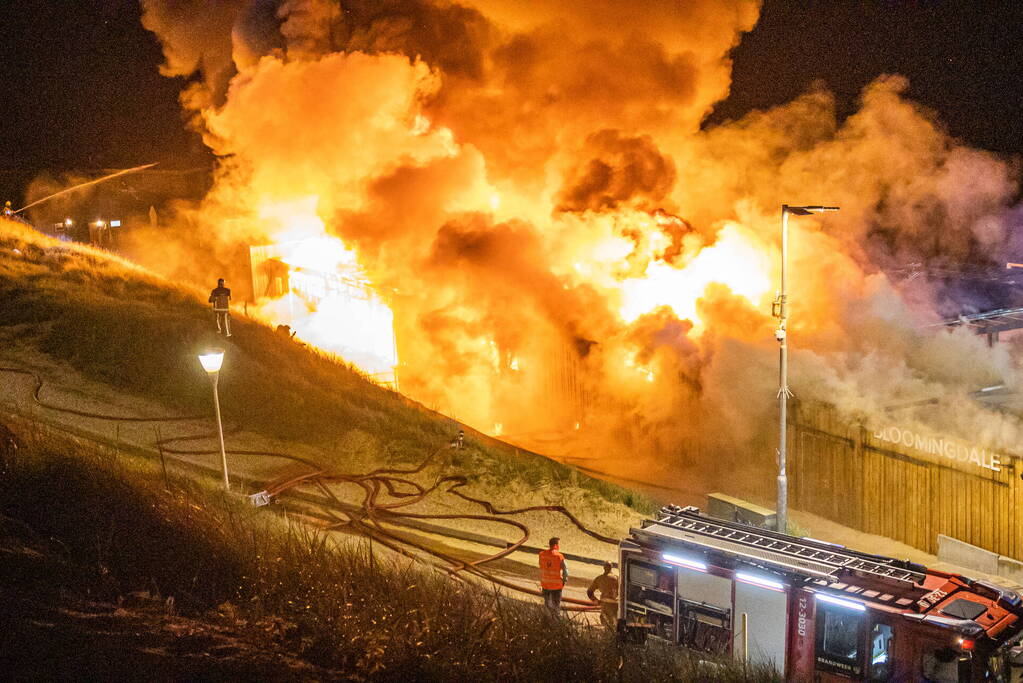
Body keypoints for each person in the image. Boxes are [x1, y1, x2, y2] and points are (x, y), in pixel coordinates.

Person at [539, 536, 569, 614]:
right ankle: (554, 622)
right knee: (555, 606)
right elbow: (565, 571)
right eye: (558, 544)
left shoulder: (542, 555)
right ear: (556, 545)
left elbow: (541, 566)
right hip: (556, 586)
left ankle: (546, 620)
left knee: (547, 605)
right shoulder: (559, 556)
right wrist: (564, 580)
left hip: (545, 585)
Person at [587, 561, 620, 629]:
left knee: (605, 623)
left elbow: (589, 592)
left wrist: (596, 600)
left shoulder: (599, 579)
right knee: (615, 624)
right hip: (615, 604)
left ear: (603, 567)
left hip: (604, 603)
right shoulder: (617, 578)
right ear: (611, 568)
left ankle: (608, 636)